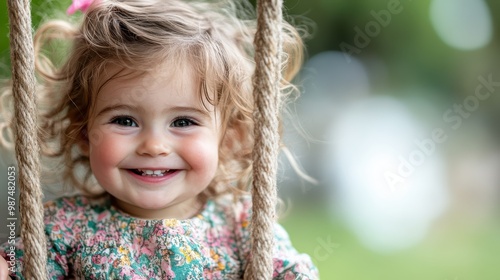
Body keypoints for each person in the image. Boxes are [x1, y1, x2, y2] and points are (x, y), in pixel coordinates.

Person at [0, 0, 318, 278]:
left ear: (229, 138)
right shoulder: (64, 227)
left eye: (183, 121)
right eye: (125, 121)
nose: (154, 146)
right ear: (84, 132)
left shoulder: (243, 224)